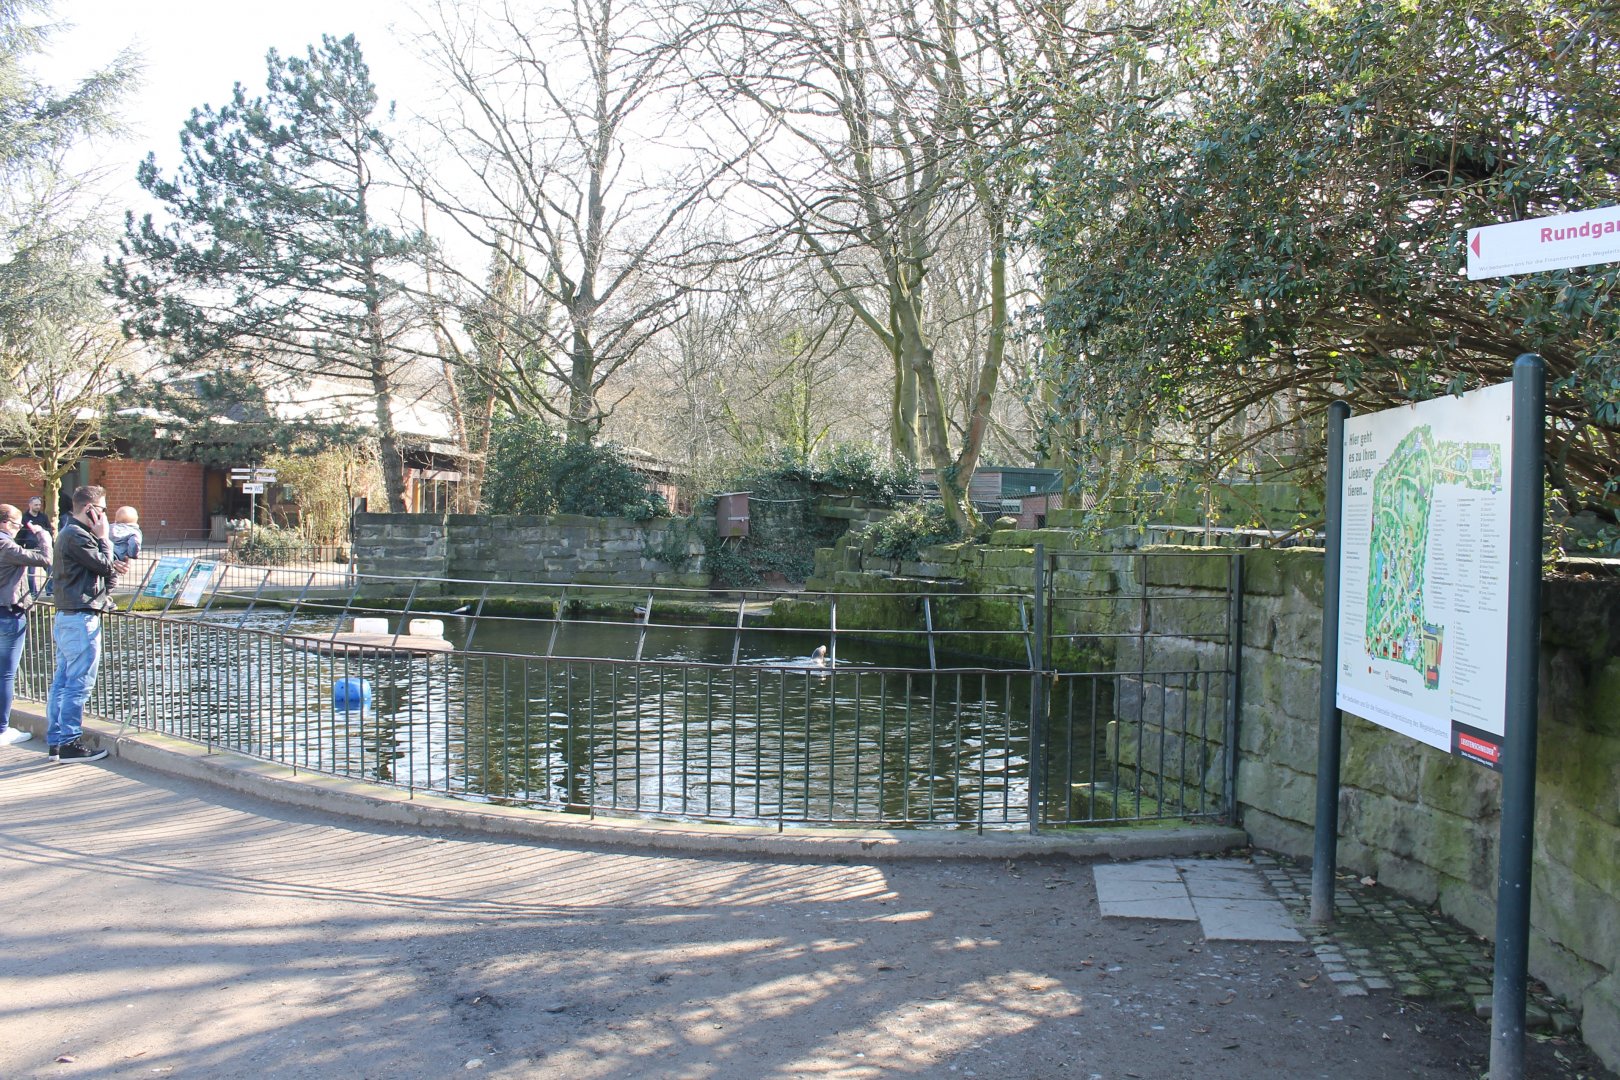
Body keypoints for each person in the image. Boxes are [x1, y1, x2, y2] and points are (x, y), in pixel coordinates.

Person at [47, 485, 127, 763]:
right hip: (80, 617)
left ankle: (57, 741)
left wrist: (110, 564)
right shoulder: (77, 536)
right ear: (91, 510)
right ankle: (68, 742)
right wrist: (105, 539)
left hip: (71, 615)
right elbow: (106, 566)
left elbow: (107, 576)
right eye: (103, 510)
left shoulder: (72, 534)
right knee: (77, 682)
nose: (105, 516)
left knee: (64, 680)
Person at [0, 504, 52, 746]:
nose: (19, 528)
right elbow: (45, 558)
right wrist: (42, 534)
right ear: (4, 523)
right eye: (15, 523)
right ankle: (2, 729)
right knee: (6, 674)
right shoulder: (6, 545)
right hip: (8, 614)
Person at [18, 496, 49, 598]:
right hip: (30, 548)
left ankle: (50, 591)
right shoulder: (24, 518)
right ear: (30, 505)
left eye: (39, 505)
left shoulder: (43, 517)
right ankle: (33, 592)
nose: (38, 507)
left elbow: (48, 530)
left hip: (43, 548)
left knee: (50, 570)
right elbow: (21, 533)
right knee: (31, 573)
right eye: (36, 505)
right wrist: (21, 545)